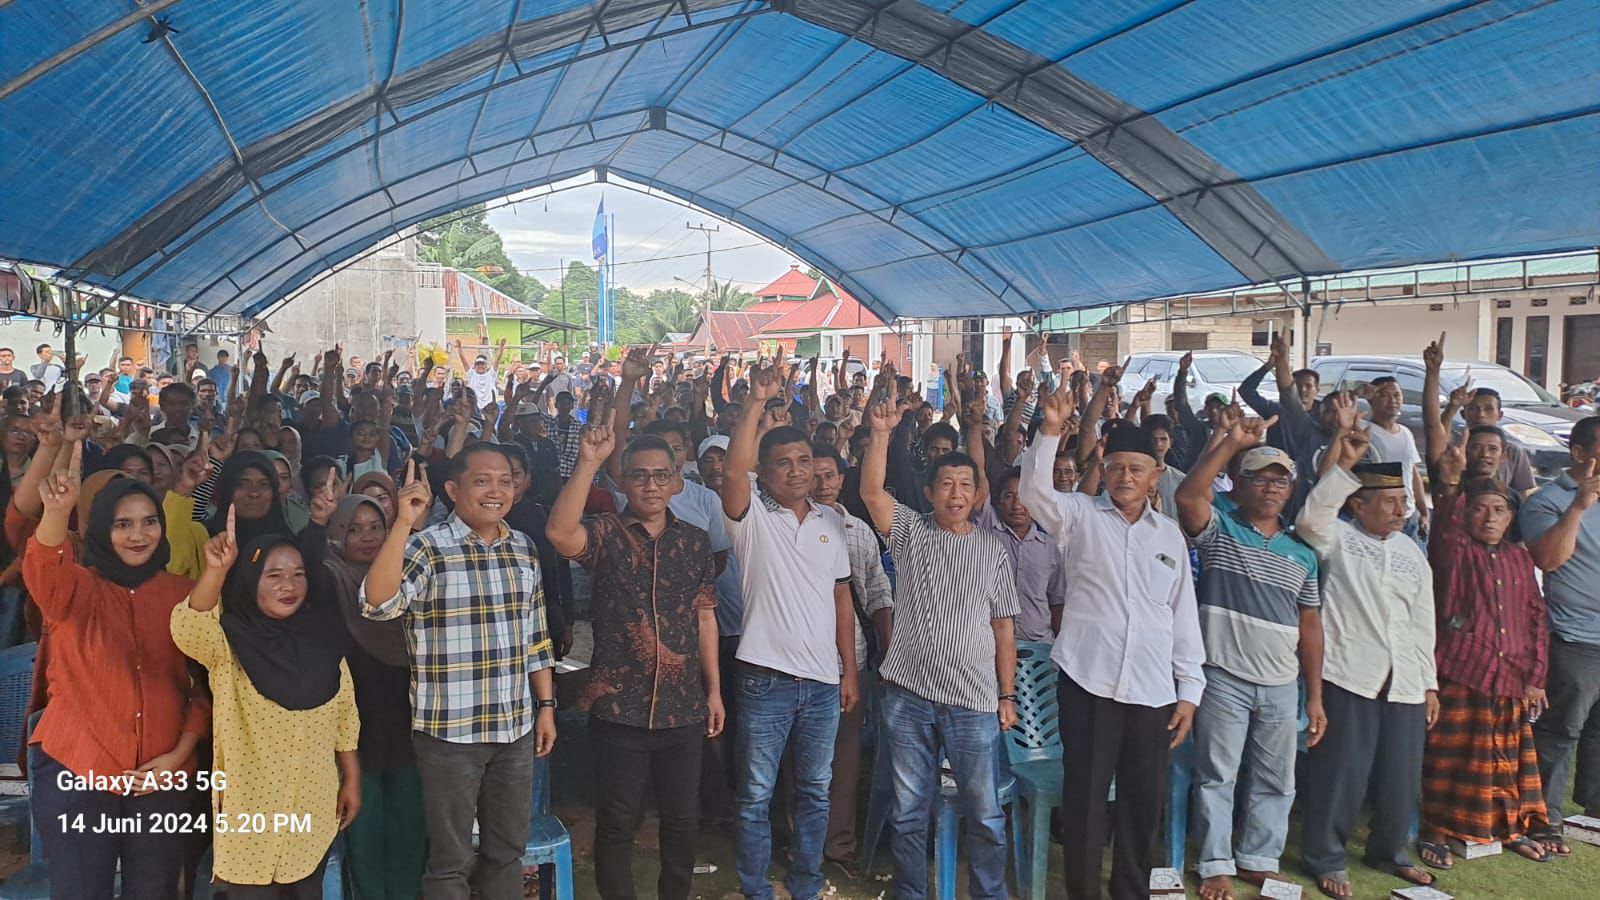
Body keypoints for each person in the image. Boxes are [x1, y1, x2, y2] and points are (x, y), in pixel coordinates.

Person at [1016, 372, 1204, 900]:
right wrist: (1049, 432)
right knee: (1085, 803)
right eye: (1116, 466)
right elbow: (1034, 493)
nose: (1124, 476)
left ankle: (1131, 892)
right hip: (1088, 684)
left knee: (1143, 805)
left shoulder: (1168, 536)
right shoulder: (1079, 515)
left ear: (1154, 476)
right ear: (1104, 468)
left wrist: (1190, 691)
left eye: (1136, 469)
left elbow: (1182, 617)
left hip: (1152, 691)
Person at [361, 452, 557, 900]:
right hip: (449, 734)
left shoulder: (523, 547)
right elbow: (376, 604)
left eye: (505, 481)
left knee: (507, 852)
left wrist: (545, 705)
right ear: (452, 490)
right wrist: (402, 524)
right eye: (482, 481)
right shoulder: (427, 547)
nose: (496, 491)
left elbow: (536, 635)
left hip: (514, 728)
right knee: (450, 860)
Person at [24, 443, 206, 898]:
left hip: (162, 775)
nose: (138, 535)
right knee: (81, 890)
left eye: (149, 522)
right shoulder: (74, 589)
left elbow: (208, 686)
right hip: (78, 770)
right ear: (103, 529)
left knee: (155, 890)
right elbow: (43, 568)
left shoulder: (184, 594)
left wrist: (179, 756)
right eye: (122, 524)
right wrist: (56, 512)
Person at [548, 425, 721, 900]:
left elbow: (705, 617)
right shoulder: (605, 534)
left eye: (661, 475)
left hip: (683, 707)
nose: (650, 485)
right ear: (623, 482)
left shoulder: (695, 542)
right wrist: (588, 461)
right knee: (618, 821)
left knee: (682, 819)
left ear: (676, 482)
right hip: (618, 709)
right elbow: (560, 533)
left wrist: (714, 691)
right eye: (640, 476)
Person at [859, 396, 1018, 899]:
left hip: (974, 702)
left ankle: (988, 894)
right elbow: (871, 492)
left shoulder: (993, 549)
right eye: (946, 484)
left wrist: (1007, 695)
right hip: (908, 697)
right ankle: (911, 893)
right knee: (909, 812)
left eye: (966, 485)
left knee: (985, 814)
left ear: (977, 494)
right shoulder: (911, 533)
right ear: (929, 492)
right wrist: (881, 434)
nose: (956, 493)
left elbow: (1003, 628)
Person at [718, 362, 857, 900]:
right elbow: (733, 473)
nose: (797, 471)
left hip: (822, 683)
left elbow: (841, 599)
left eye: (804, 461)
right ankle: (756, 888)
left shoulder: (831, 521)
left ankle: (805, 885)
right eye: (784, 463)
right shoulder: (751, 518)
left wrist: (848, 671)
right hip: (765, 680)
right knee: (755, 795)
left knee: (816, 791)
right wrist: (756, 403)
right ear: (765, 472)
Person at [1175, 413, 1325, 900]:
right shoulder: (1220, 529)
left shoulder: (1302, 551)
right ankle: (1215, 864)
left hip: (1281, 682)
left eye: (1280, 480)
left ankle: (1259, 860)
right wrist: (1229, 443)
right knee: (1217, 776)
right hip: (1223, 676)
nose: (1271, 487)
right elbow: (1187, 497)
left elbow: (1310, 626)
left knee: (1277, 780)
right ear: (1237, 485)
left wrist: (1314, 696)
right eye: (1259, 478)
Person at [172, 519, 360, 898]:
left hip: (313, 809)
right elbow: (188, 628)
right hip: (251, 819)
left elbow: (345, 718)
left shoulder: (323, 641)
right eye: (273, 576)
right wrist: (216, 570)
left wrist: (352, 780)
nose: (288, 585)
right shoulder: (229, 645)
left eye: (298, 574)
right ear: (249, 580)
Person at [1295, 428, 1439, 899]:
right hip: (1349, 674)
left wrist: (1429, 684)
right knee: (1341, 775)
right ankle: (1325, 858)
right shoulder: (1338, 537)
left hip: (1406, 681)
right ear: (1358, 505)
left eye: (1404, 502)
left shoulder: (1411, 551)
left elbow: (1422, 622)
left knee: (1401, 778)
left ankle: (1389, 852)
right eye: (1390, 501)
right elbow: (1310, 519)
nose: (1401, 510)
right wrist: (1342, 468)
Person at [1416, 441, 1553, 868]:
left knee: (1504, 762)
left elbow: (1536, 618)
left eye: (1499, 510)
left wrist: (1536, 677)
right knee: (1451, 759)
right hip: (1462, 670)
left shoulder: (1520, 559)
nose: (1489, 517)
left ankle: (1506, 828)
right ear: (1465, 514)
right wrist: (1451, 484)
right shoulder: (1455, 551)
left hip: (1512, 676)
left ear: (1511, 517)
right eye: (1479, 509)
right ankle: (1437, 831)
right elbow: (1445, 526)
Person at [323, 495, 426, 899]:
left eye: (375, 527)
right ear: (337, 534)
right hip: (354, 731)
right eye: (354, 529)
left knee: (410, 824)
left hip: (407, 722)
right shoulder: (329, 580)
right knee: (364, 827)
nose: (367, 537)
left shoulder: (409, 578)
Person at [808, 442, 893, 868]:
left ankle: (839, 842)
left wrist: (887, 651)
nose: (823, 484)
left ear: (842, 480)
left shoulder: (859, 531)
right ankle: (805, 841)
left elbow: (877, 591)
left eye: (830, 475)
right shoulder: (787, 526)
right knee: (805, 757)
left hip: (851, 661)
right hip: (804, 660)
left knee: (845, 756)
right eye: (815, 475)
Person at [1521, 415, 1600, 855]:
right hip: (1574, 637)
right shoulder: (1549, 501)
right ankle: (1544, 820)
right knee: (1561, 731)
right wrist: (1579, 507)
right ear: (1579, 454)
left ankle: (1594, 813)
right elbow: (1547, 560)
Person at [979, 466, 1065, 643]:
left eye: (1024, 497)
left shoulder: (1050, 547)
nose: (1017, 505)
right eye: (1009, 496)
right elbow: (979, 472)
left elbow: (1056, 602)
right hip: (994, 644)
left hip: (1040, 644)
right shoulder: (987, 529)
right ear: (998, 501)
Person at [1363, 376, 1429, 540]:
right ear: (1370, 399)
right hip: (1382, 518)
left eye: (1397, 395)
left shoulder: (1406, 433)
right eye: (1384, 395)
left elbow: (1412, 472)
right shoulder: (1363, 431)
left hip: (1409, 515)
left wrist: (1423, 511)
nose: (1392, 400)